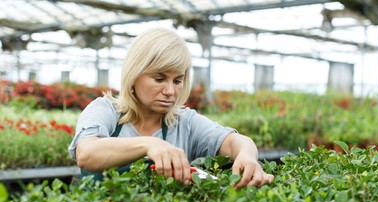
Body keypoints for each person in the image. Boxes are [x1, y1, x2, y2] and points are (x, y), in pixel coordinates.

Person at [68, 27, 274, 189]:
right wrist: (149, 145)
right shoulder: (105, 111)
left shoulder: (184, 122)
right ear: (134, 74)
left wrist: (247, 157)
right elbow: (86, 154)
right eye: (159, 79)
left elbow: (236, 141)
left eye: (178, 80)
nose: (170, 91)